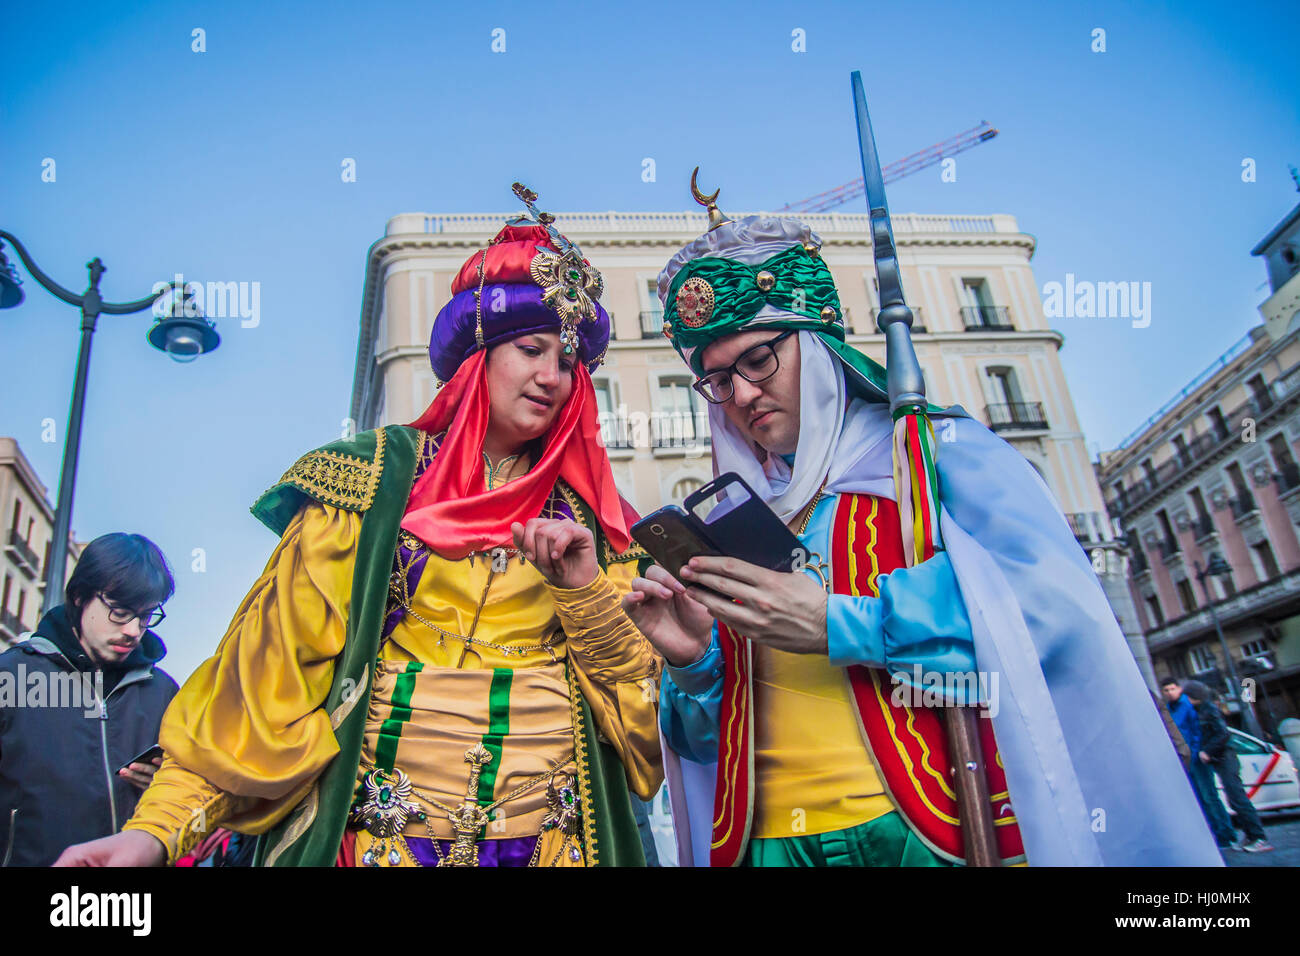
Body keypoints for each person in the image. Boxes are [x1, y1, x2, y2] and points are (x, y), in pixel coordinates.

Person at [55, 184, 662, 868]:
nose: (552, 376)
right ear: (478, 355)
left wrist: (584, 594)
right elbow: (263, 686)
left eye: (569, 360)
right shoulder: (365, 485)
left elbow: (644, 734)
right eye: (530, 348)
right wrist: (155, 832)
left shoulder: (602, 527)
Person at [623, 184, 1224, 867]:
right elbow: (705, 747)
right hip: (760, 847)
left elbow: (1050, 610)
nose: (741, 395)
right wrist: (695, 665)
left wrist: (840, 623)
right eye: (718, 382)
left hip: (923, 836)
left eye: (758, 360)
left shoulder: (938, 457)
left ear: (817, 347)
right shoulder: (736, 520)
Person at [0, 533, 176, 866]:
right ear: (80, 595)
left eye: (145, 616)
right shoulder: (11, 676)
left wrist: (166, 786)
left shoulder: (165, 693)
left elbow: (193, 808)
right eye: (121, 612)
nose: (133, 630)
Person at [1181, 679, 1273, 853]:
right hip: (1219, 758)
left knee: (1238, 797)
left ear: (1194, 696)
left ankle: (1259, 837)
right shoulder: (1199, 710)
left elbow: (1223, 734)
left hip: (1225, 758)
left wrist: (1207, 751)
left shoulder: (1209, 710)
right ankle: (1251, 836)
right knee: (1234, 799)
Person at [1161, 676, 1236, 848]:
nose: (1170, 693)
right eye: (1166, 690)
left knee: (1209, 796)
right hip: (1184, 759)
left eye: (1173, 689)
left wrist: (1197, 753)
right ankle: (1214, 834)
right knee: (1199, 798)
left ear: (1179, 689)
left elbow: (1197, 732)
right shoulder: (1171, 709)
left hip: (1195, 757)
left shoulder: (1188, 706)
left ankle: (1225, 834)